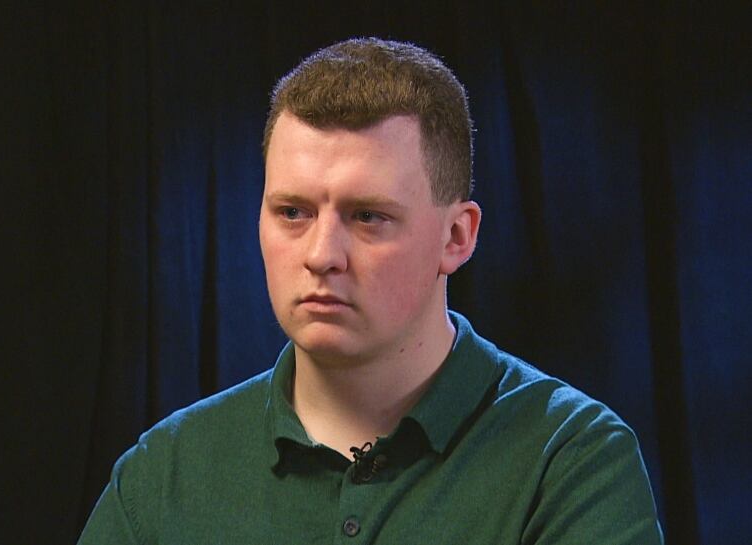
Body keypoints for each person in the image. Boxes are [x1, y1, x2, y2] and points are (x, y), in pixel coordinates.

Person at [79, 38, 663, 544]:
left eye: (368, 217)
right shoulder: (165, 473)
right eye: (292, 212)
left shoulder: (571, 462)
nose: (321, 255)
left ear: (456, 237)